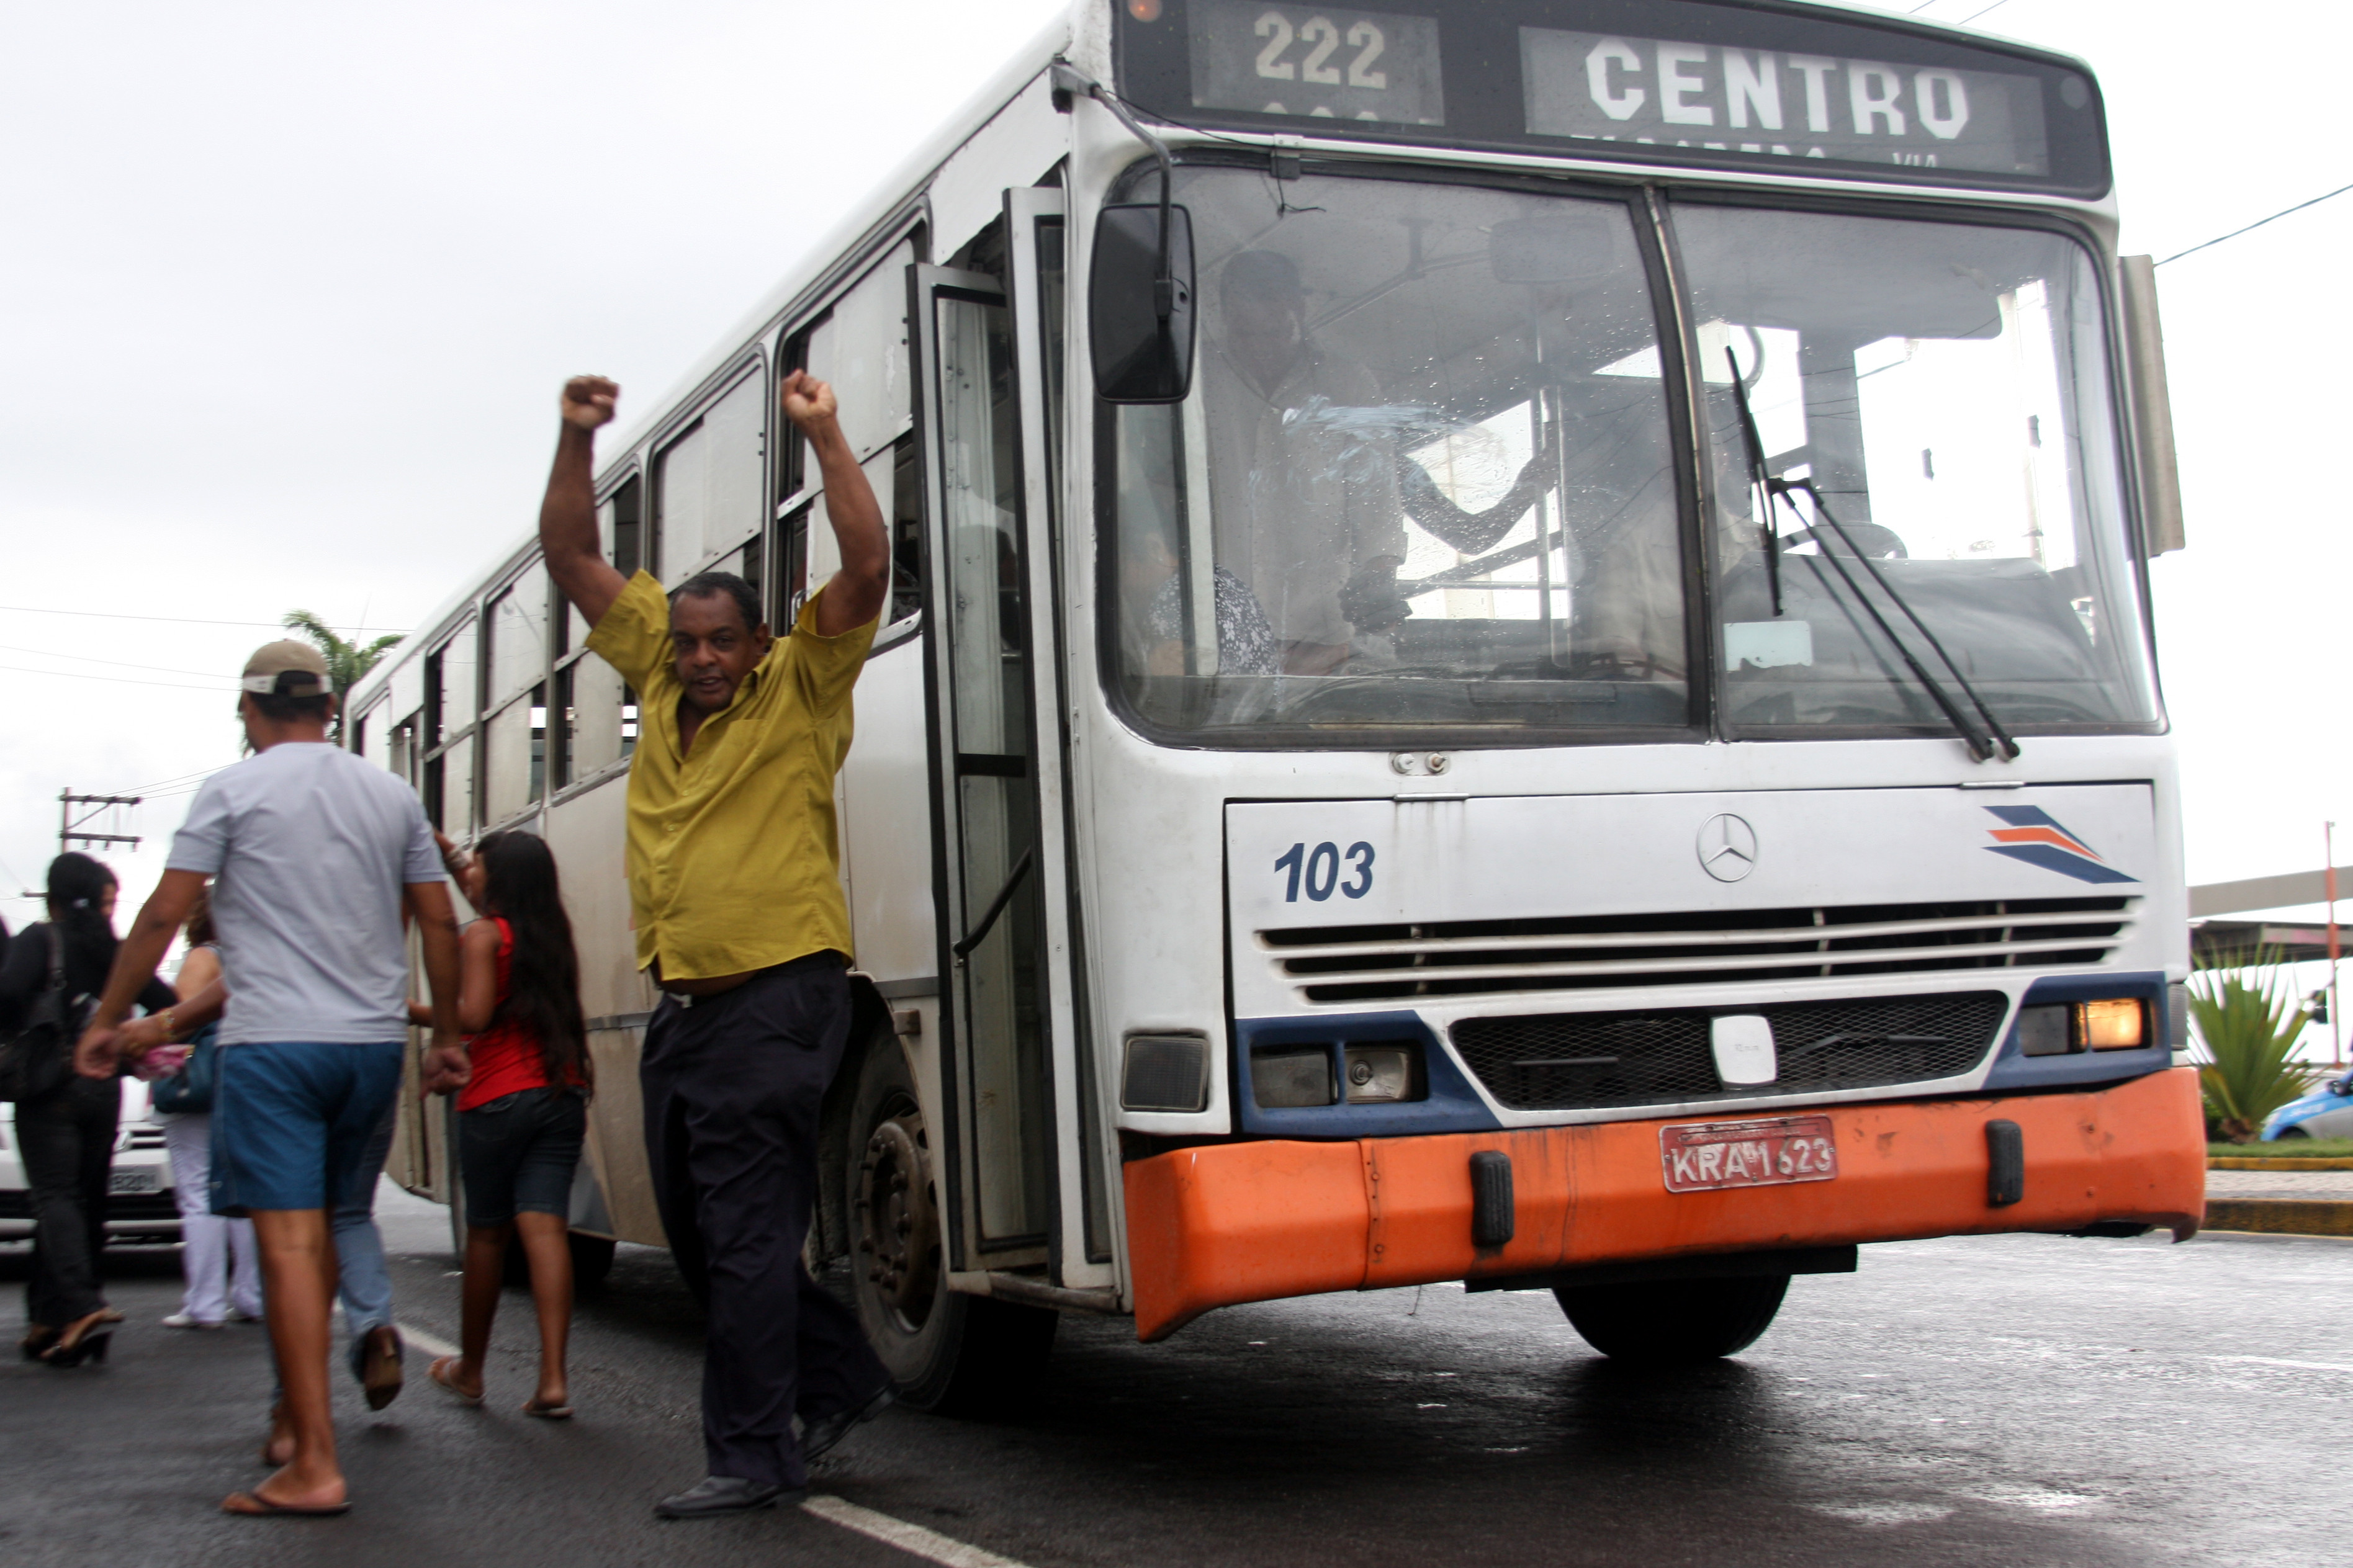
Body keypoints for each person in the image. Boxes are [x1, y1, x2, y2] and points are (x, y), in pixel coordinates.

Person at [538, 368, 894, 1518]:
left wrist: (825, 434)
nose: (700, 658)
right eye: (688, 641)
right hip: (685, 1009)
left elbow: (867, 567)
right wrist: (575, 439)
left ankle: (752, 1452)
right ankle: (835, 1376)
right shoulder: (654, 671)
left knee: (744, 1232)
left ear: (756, 641)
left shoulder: (801, 684)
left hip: (778, 998)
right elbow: (570, 556)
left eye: (721, 641)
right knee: (698, 1236)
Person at [76, 638, 464, 1518]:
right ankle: (292, 1415)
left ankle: (313, 1462)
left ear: (249, 711)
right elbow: (440, 920)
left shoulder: (231, 791)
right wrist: (445, 1033)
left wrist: (108, 1020)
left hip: (275, 1048)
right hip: (370, 1050)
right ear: (328, 708)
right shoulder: (391, 794)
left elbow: (163, 913)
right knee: (326, 1229)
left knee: (287, 1243)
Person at [414, 830, 590, 1419]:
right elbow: (473, 888)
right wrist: (449, 854)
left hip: (496, 1096)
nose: (472, 876)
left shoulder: (484, 935)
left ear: (501, 881)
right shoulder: (550, 935)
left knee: (487, 1235)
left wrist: (408, 1009)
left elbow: (473, 1015)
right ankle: (554, 1380)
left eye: (479, 868)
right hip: (560, 1091)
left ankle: (470, 1370)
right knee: (546, 1230)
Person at [2, 853, 176, 1366]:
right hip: (105, 1089)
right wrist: (135, 1038)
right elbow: (166, 1001)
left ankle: (82, 1305)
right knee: (84, 1201)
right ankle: (48, 1319)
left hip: (49, 1087)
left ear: (52, 897)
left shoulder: (41, 939)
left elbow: (8, 991)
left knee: (54, 1197)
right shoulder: (116, 952)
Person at [144, 886, 264, 1330]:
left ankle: (205, 1303)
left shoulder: (203, 957)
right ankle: (251, 1296)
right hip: (243, 1081)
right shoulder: (253, 958)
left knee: (198, 1192)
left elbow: (178, 1024)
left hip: (198, 1087)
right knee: (242, 1192)